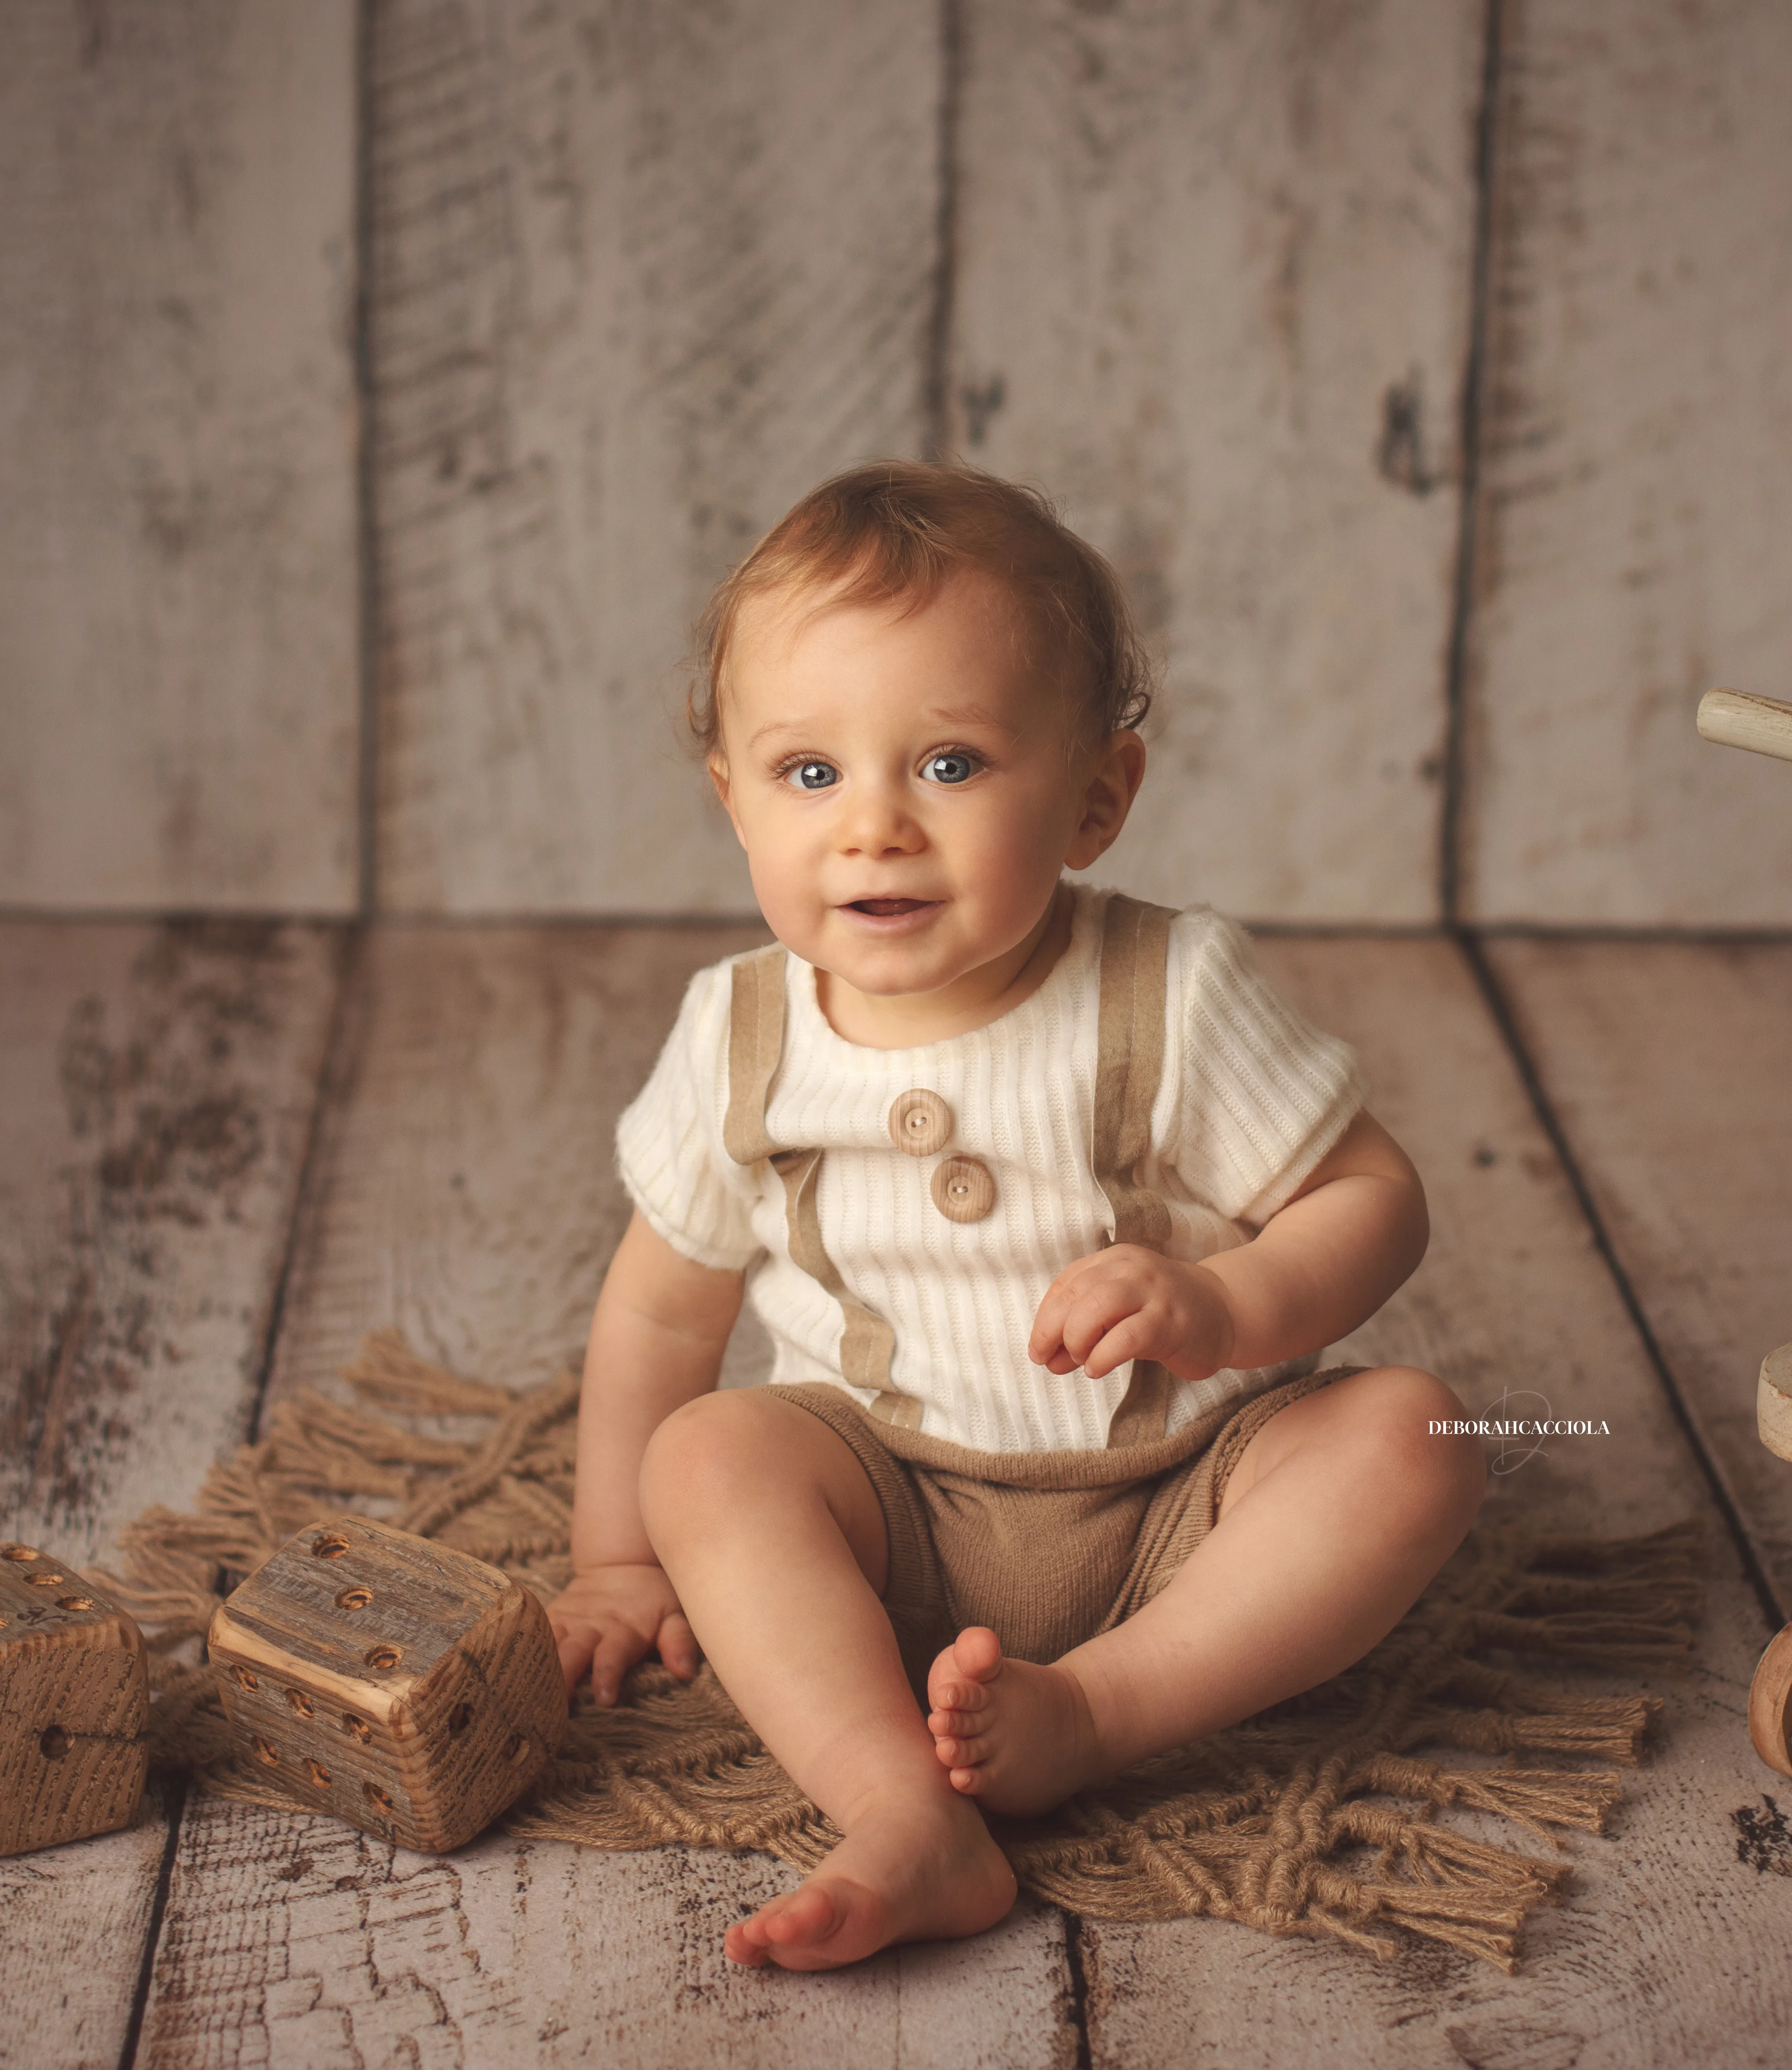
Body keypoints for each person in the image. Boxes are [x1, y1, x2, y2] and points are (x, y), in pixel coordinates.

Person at [547, 460, 1484, 1971]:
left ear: (1095, 799)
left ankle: (1101, 1709)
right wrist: (618, 1565)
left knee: (1420, 1435)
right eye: (809, 774)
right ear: (732, 800)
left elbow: (1375, 1200)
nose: (874, 829)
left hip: (1186, 1498)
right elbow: (662, 1311)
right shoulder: (740, 1034)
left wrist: (1228, 1304)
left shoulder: (1172, 992)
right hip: (888, 1509)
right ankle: (901, 1812)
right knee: (707, 1456)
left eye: (950, 764)